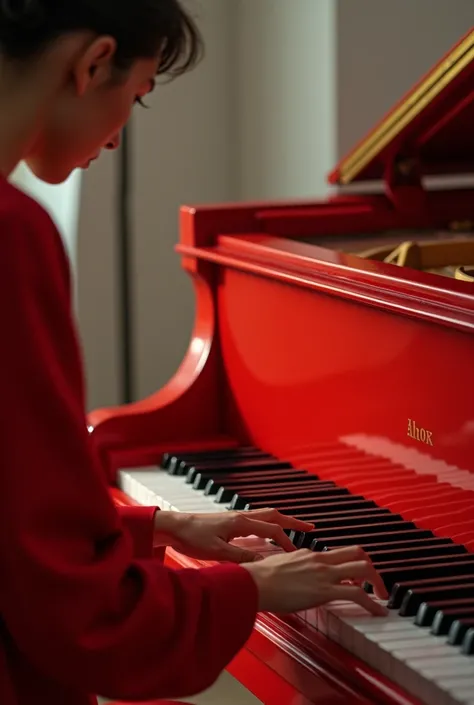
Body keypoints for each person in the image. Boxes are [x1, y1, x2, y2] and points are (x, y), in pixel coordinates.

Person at [0, 2, 388, 704]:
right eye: (138, 93)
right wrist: (248, 587)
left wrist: (160, 525)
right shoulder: (10, 235)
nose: (118, 139)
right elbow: (78, 617)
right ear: (92, 64)